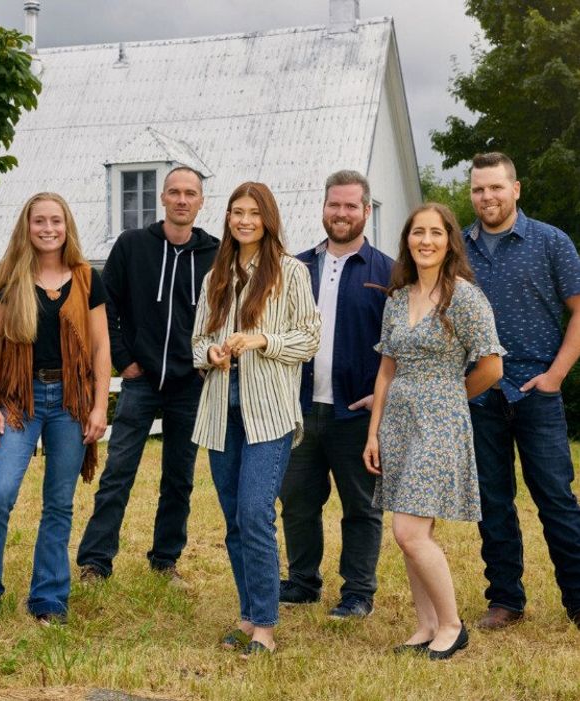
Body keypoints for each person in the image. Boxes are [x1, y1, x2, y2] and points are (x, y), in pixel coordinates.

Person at [364, 202, 504, 660]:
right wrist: (373, 432)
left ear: (449, 242)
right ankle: (425, 624)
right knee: (411, 529)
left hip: (440, 421)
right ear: (407, 240)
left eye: (436, 233)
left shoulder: (463, 297)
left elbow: (493, 366)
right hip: (398, 423)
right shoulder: (397, 298)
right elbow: (386, 369)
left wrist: (450, 398)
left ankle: (451, 626)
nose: (426, 240)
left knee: (409, 531)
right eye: (417, 232)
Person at [0, 192, 112, 628]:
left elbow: (102, 346)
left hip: (70, 401)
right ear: (26, 227)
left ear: (67, 226)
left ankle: (49, 600)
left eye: (56, 221)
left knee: (59, 503)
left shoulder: (87, 278)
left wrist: (100, 405)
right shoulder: (5, 280)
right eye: (39, 221)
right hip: (18, 400)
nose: (48, 229)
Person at [192, 181, 320, 656]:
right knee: (233, 520)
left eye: (253, 213)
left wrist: (263, 341)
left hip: (269, 415)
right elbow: (194, 346)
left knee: (255, 513)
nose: (244, 220)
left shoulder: (291, 272)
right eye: (236, 212)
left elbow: (309, 339)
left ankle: (265, 626)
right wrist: (213, 352)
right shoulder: (216, 276)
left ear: (268, 218)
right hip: (221, 412)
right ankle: (246, 617)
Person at [75, 166, 219, 585]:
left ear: (200, 201)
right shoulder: (133, 245)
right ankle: (96, 562)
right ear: (162, 197)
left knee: (179, 477)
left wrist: (202, 362)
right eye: (174, 192)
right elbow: (107, 305)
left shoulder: (214, 255)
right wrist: (124, 358)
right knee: (118, 471)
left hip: (189, 385)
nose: (181, 199)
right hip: (140, 380)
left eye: (190, 193)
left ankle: (165, 560)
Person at [462, 152, 580, 631]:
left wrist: (555, 377)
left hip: (537, 391)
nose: (486, 197)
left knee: (555, 498)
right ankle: (505, 599)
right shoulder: (459, 249)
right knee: (492, 501)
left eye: (495, 187)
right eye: (478, 189)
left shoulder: (551, 242)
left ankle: (577, 598)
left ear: (516, 189)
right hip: (481, 394)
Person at [279, 170, 392, 618]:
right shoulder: (296, 267)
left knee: (361, 507)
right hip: (301, 409)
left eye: (350, 206)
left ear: (366, 210)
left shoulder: (389, 273)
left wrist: (383, 401)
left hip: (356, 412)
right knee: (297, 501)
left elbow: (400, 346)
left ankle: (358, 593)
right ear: (323, 208)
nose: (341, 213)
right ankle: (303, 582)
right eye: (334, 205)